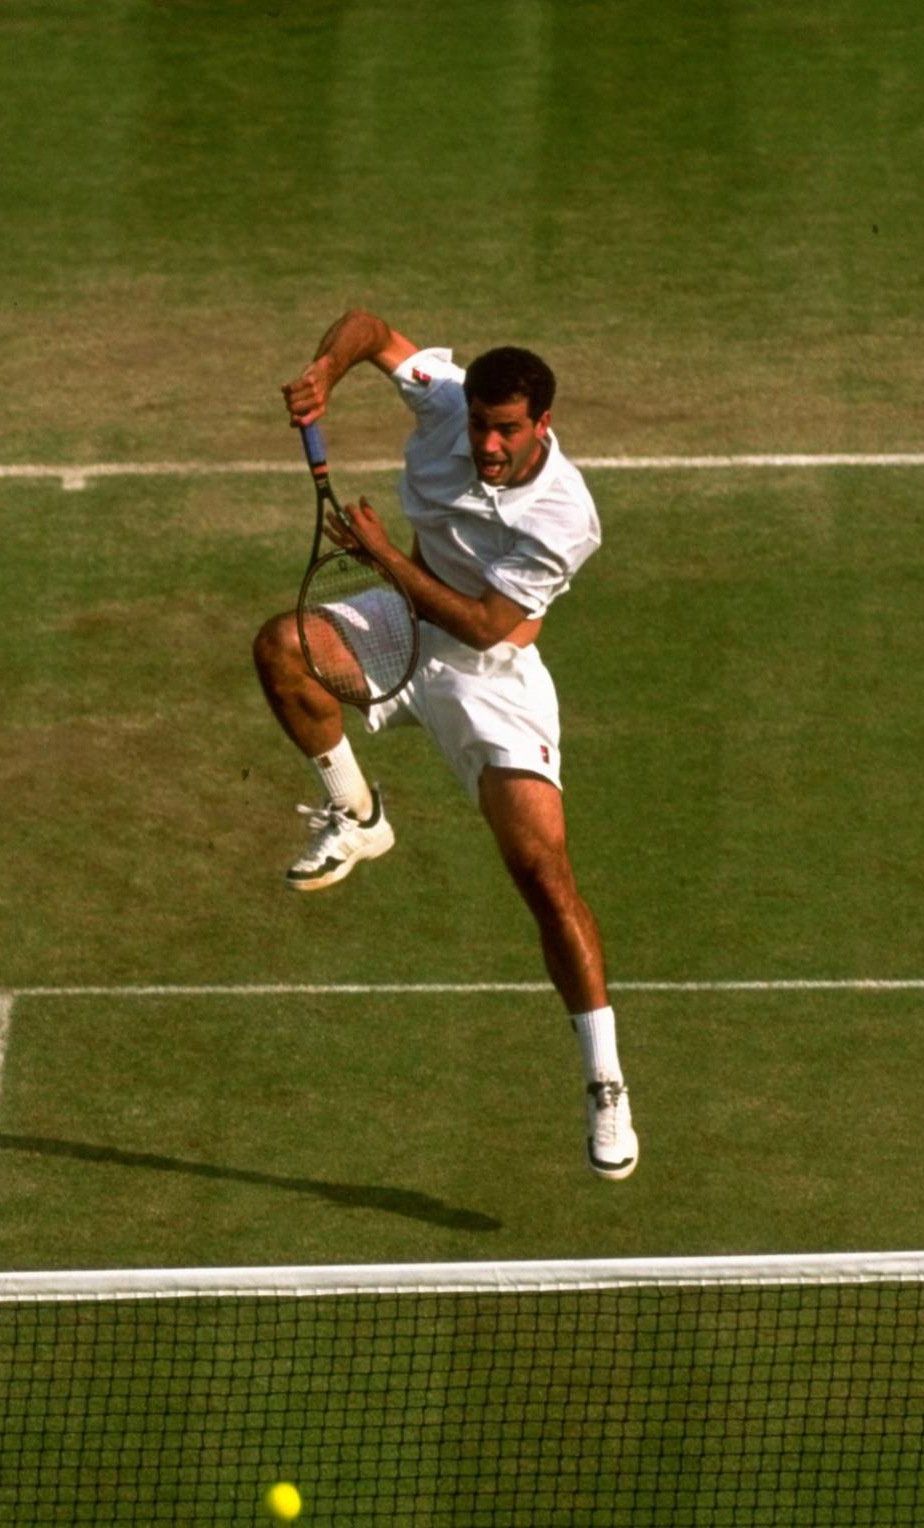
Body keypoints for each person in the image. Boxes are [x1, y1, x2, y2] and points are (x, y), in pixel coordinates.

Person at [258, 308, 637, 1179]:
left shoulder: (565, 517)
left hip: (488, 676)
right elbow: (368, 326)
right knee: (283, 649)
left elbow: (484, 621)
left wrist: (386, 555)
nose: (488, 443)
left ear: (543, 424)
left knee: (546, 880)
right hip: (406, 628)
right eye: (481, 425)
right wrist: (325, 369)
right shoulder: (447, 401)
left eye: (506, 430)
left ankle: (605, 1083)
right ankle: (359, 814)